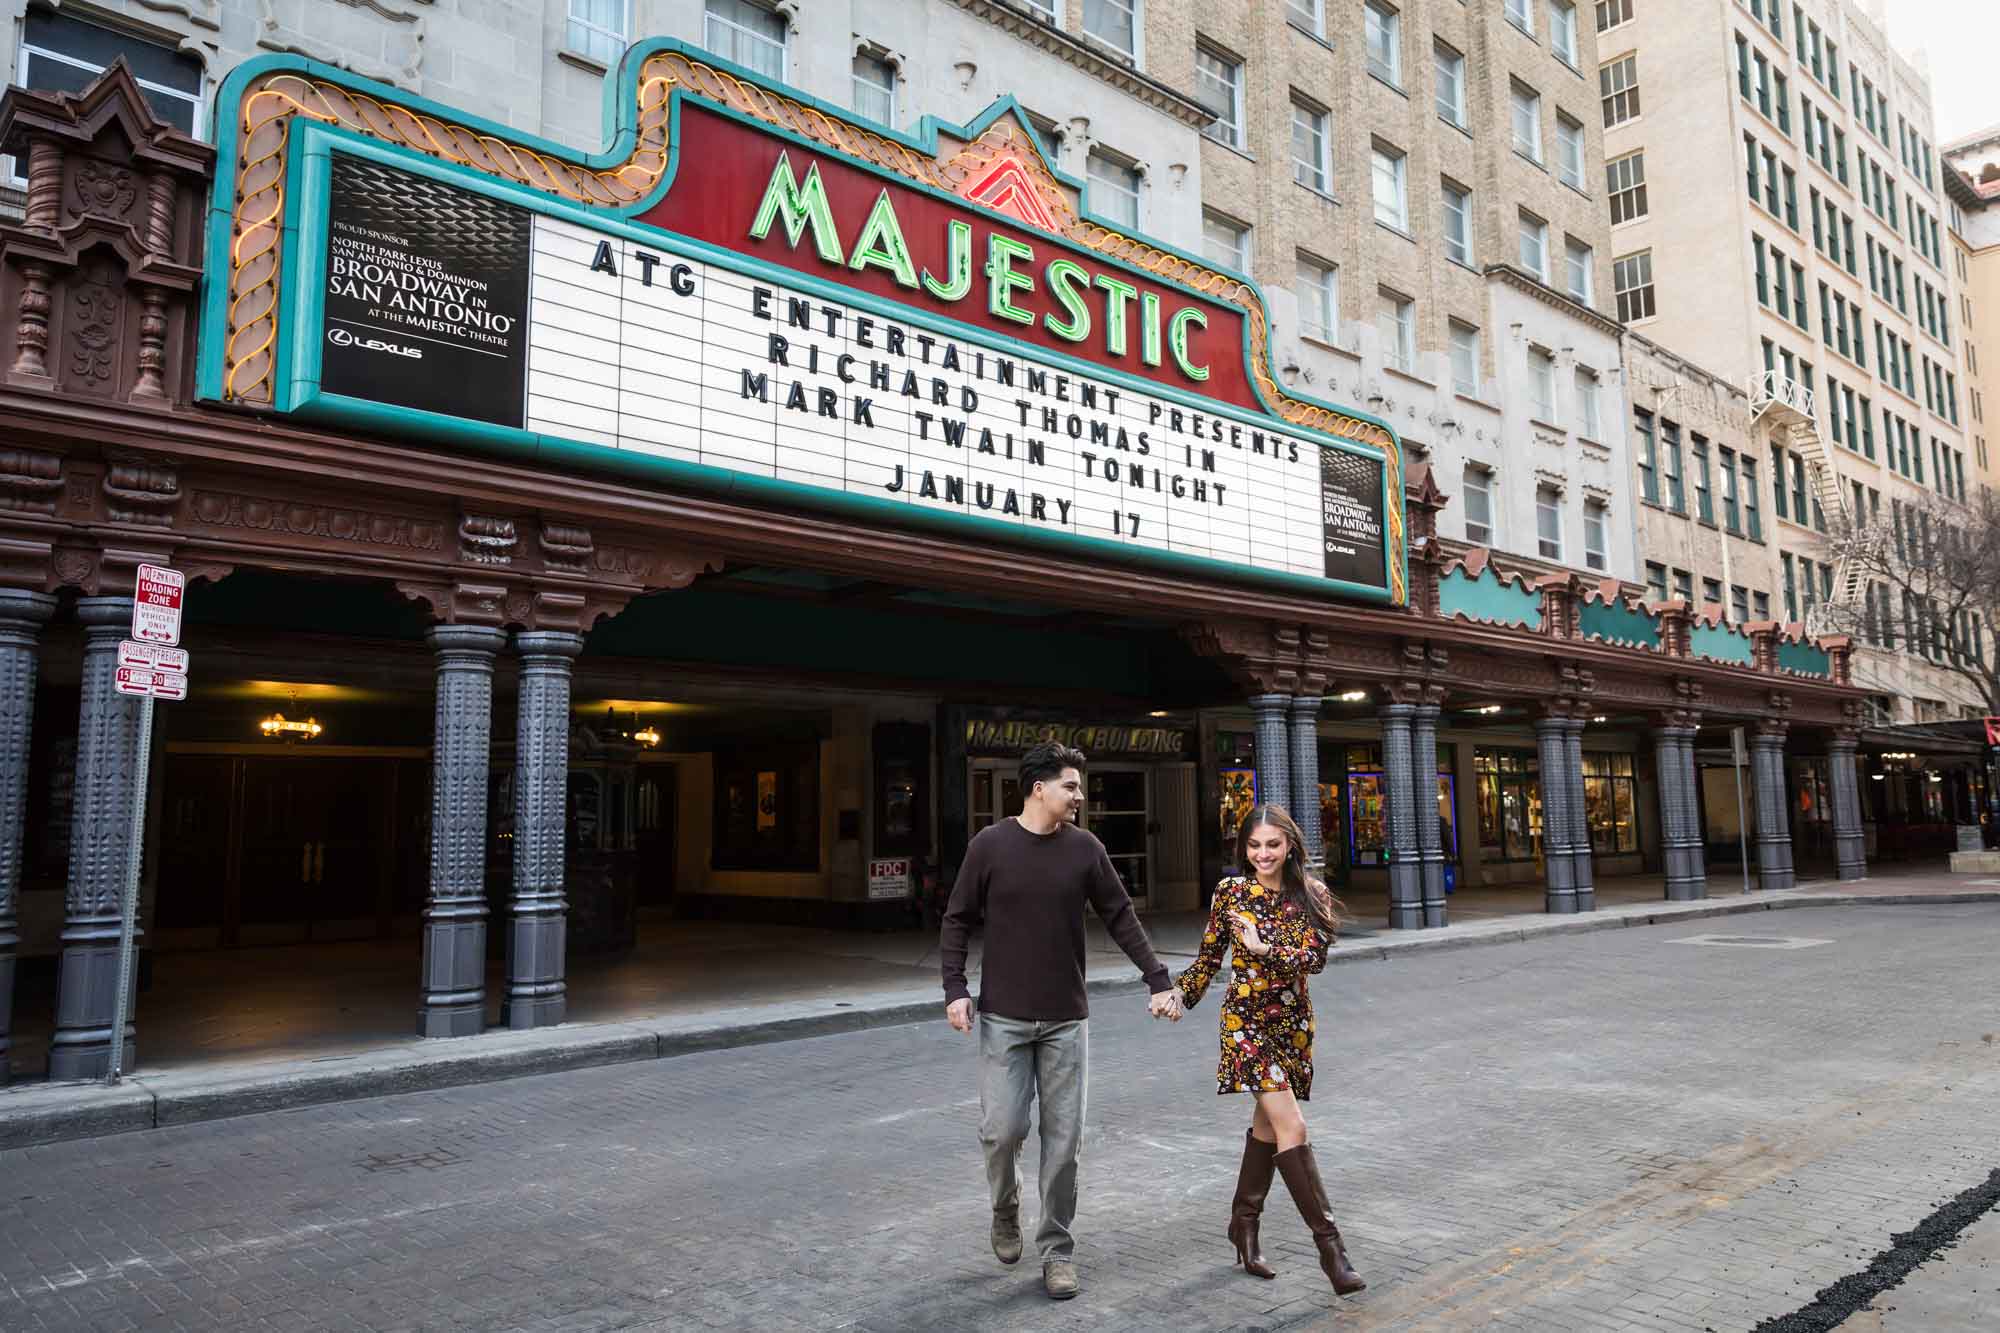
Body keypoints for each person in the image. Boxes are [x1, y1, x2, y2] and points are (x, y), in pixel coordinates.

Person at [939, 741, 1183, 1302]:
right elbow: (956, 919)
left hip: (1067, 1021)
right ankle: (1006, 1210)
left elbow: (1121, 916)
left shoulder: (1085, 850)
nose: (1079, 796)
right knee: (1001, 1132)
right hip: (1003, 1017)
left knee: (1063, 1142)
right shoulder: (990, 846)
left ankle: (1057, 1250)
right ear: (1038, 788)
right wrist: (954, 989)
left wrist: (1157, 977)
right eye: (1071, 786)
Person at [1177, 804, 1366, 1297]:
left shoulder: (1310, 894)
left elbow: (1315, 959)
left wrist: (1265, 950)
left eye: (1273, 845)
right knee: (1292, 1125)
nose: (1262, 854)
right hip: (1244, 1024)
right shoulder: (1232, 893)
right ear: (1243, 848)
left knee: (1268, 1127)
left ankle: (1243, 1224)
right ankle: (1332, 1252)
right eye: (1254, 845)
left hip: (1292, 1026)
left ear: (1290, 847)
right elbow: (1208, 956)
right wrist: (1181, 996)